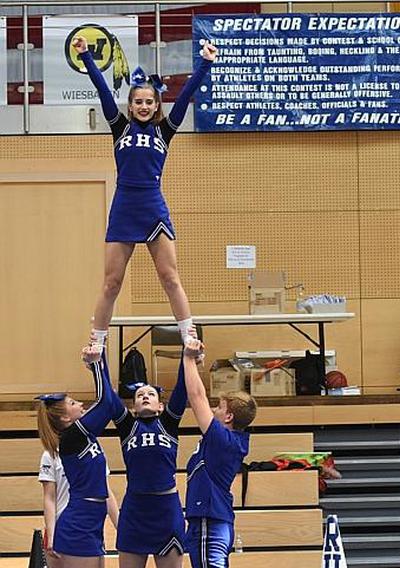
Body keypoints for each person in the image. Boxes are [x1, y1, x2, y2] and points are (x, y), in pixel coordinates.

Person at [73, 35, 217, 349]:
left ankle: (188, 335)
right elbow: (101, 89)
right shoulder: (119, 126)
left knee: (170, 277)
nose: (143, 106)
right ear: (131, 105)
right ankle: (97, 341)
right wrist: (85, 56)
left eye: (149, 102)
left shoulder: (165, 130)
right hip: (124, 205)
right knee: (112, 282)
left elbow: (186, 96)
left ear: (156, 106)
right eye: (138, 102)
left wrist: (205, 63)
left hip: (153, 206)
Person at [35, 344, 122, 567]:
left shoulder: (87, 438)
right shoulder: (72, 437)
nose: (81, 403)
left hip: (91, 520)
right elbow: (106, 404)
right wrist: (95, 364)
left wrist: (99, 365)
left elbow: (109, 400)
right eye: (73, 403)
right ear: (64, 419)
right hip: (77, 522)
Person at [105, 357, 190, 566]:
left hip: (166, 510)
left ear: (160, 406)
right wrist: (99, 352)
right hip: (135, 510)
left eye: (150, 394)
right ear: (133, 406)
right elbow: (107, 393)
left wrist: (187, 350)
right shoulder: (127, 427)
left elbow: (182, 387)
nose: (145, 396)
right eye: (140, 395)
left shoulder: (168, 424)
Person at [181, 338, 258, 568]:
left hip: (210, 521)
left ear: (229, 417)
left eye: (220, 407)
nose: (213, 409)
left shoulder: (223, 440)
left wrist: (187, 357)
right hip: (206, 520)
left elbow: (196, 397)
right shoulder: (224, 441)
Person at [38, 430, 119, 568]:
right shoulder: (51, 454)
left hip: (88, 527)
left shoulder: (94, 450)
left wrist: (120, 526)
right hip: (62, 527)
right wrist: (51, 535)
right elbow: (49, 498)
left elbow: (106, 491)